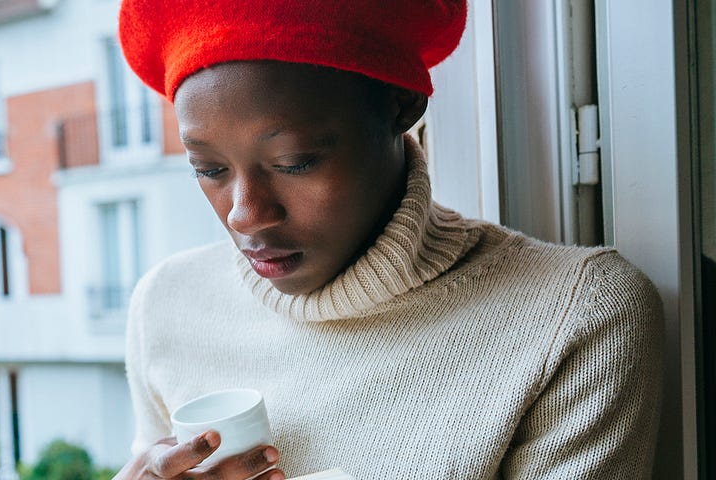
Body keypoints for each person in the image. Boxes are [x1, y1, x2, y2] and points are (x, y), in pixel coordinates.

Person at [112, 0, 664, 478]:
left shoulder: (574, 316)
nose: (246, 215)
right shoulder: (168, 304)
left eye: (294, 162)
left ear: (403, 106)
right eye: (208, 170)